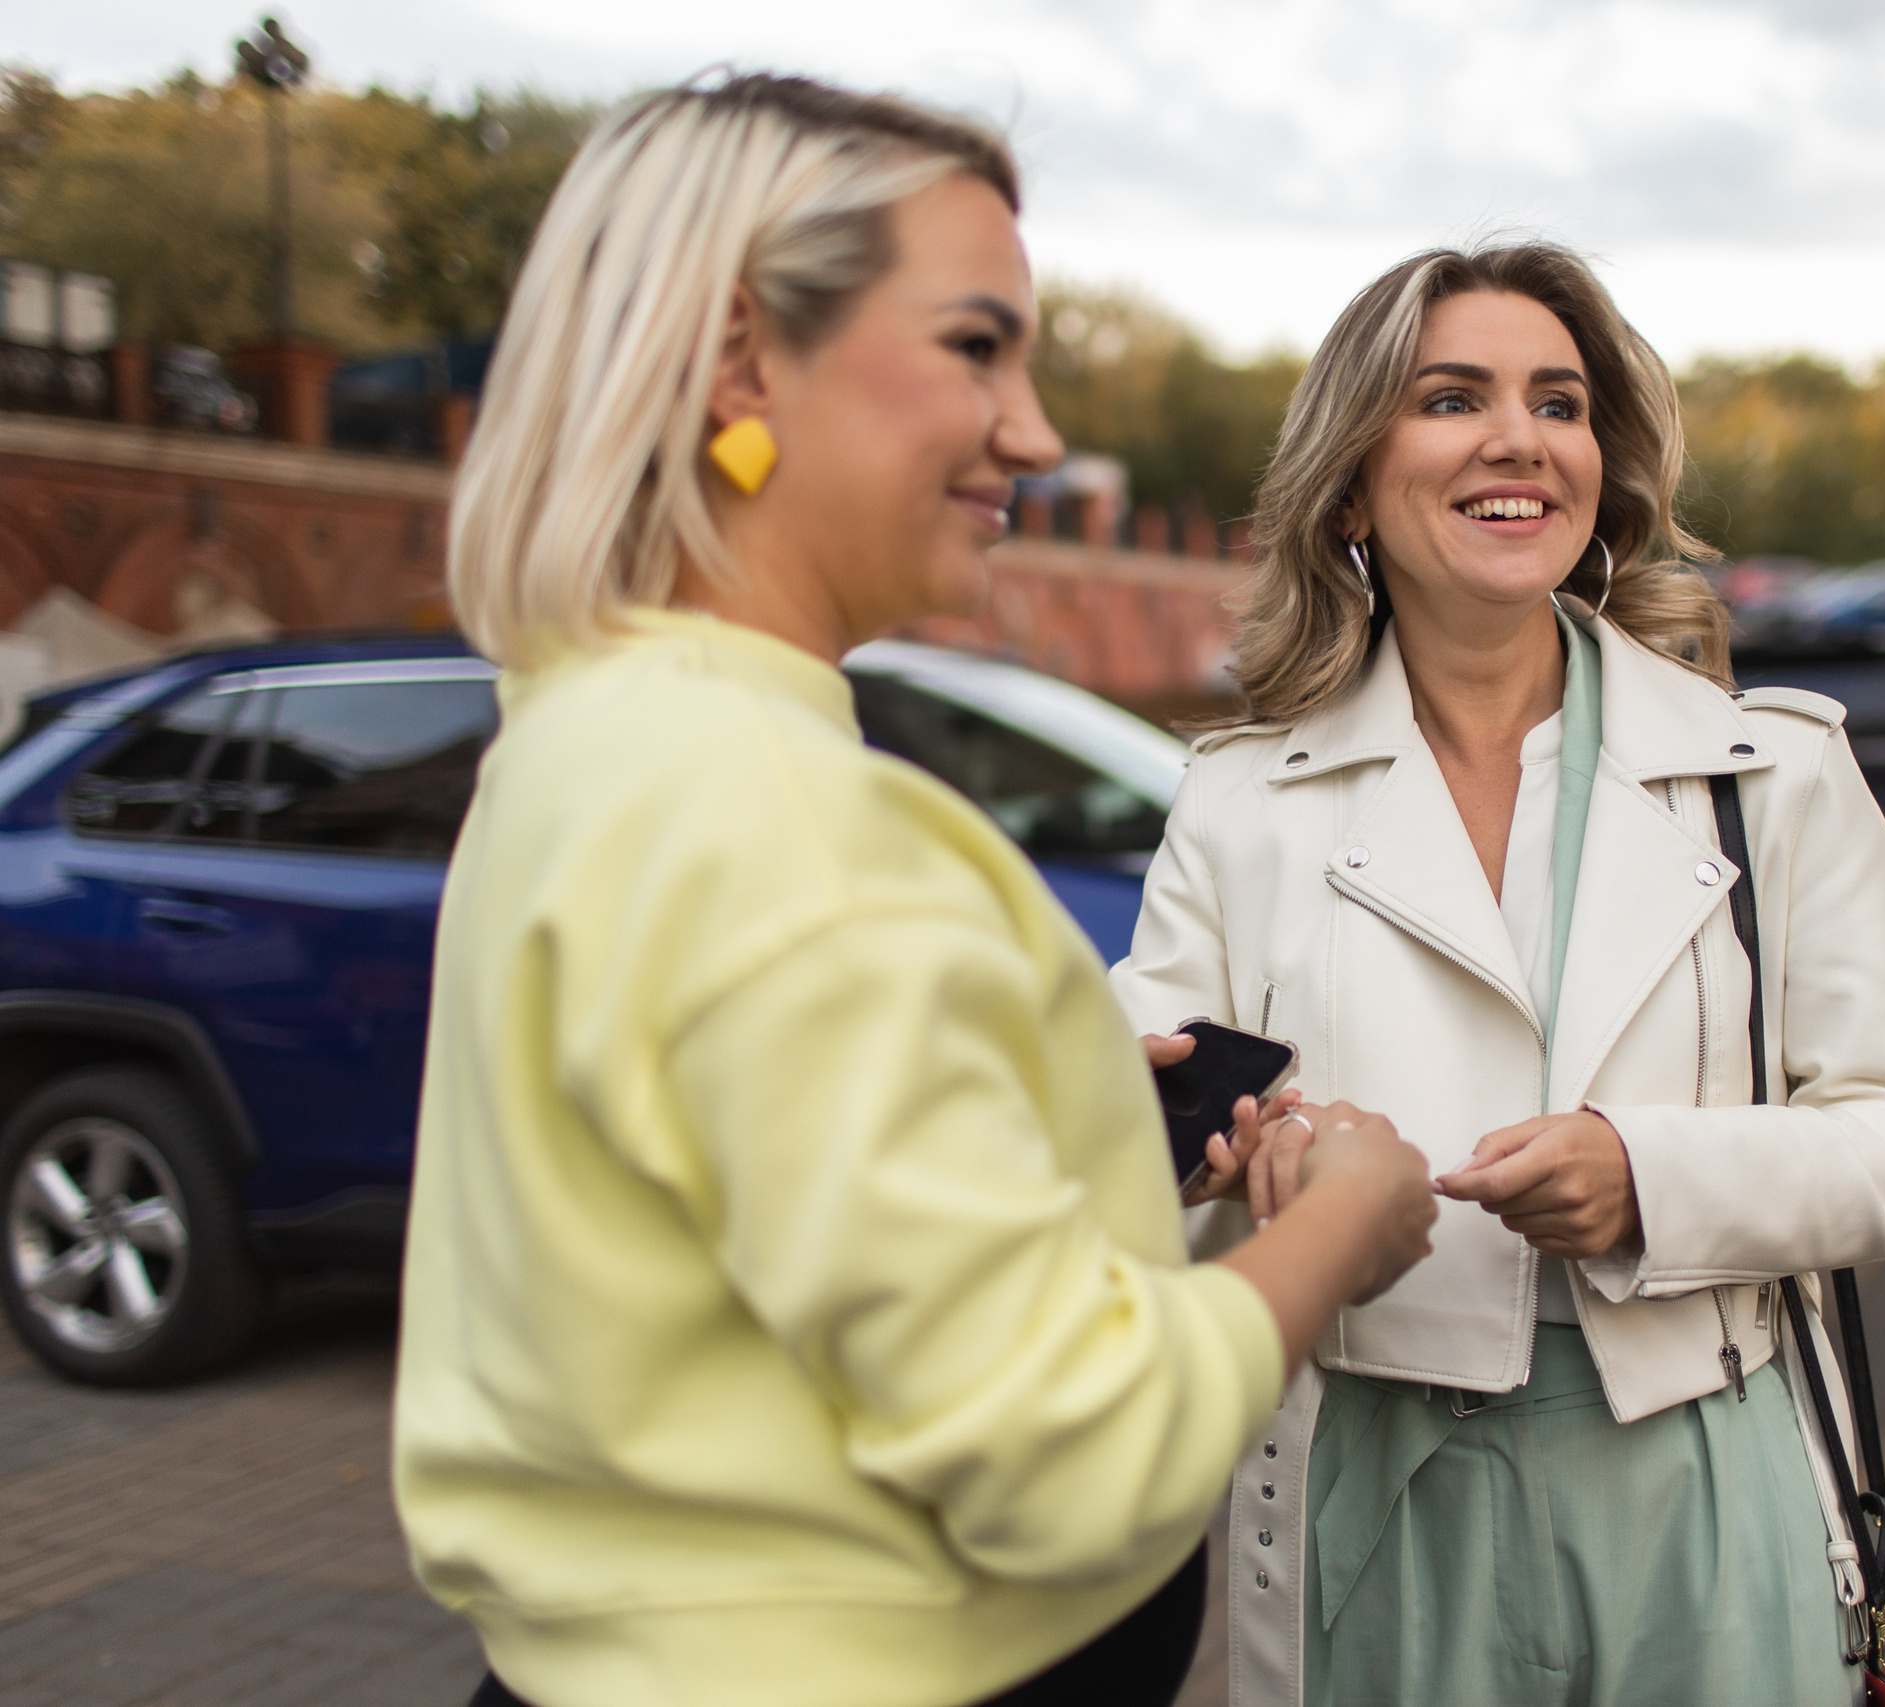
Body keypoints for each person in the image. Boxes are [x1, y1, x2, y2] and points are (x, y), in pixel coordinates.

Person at [392, 75, 1437, 1707]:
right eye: (975, 346)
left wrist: (1061, 1118)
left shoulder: (585, 734)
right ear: (743, 359)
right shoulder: (786, 816)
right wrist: (1339, 1237)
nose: (1032, 432)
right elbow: (1072, 1447)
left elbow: (736, 1234)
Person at [1110, 243, 1885, 1707]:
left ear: (1601, 472)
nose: (1519, 437)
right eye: (1453, 397)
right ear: (1351, 481)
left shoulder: (1773, 772)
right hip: (1370, 1488)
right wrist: (1212, 1135)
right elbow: (1151, 1119)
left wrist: (1655, 1173)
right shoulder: (1241, 801)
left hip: (1704, 1481)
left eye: (1559, 404)